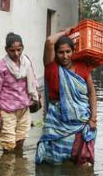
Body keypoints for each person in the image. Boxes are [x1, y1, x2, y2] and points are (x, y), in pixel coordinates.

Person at [35, 29, 98, 166]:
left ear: (73, 52)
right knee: (53, 162)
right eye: (61, 52)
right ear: (55, 54)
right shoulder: (51, 67)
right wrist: (67, 31)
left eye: (68, 52)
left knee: (82, 162)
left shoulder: (82, 68)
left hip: (81, 122)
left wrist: (93, 119)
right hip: (57, 122)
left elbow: (92, 93)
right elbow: (50, 41)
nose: (64, 56)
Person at [0, 32, 42, 154]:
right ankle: (7, 169)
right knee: (8, 144)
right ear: (6, 50)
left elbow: (33, 79)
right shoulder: (0, 66)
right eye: (12, 51)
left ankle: (19, 170)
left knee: (20, 140)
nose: (16, 54)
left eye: (19, 50)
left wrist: (36, 96)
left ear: (23, 48)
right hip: (6, 110)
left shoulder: (27, 62)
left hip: (24, 108)